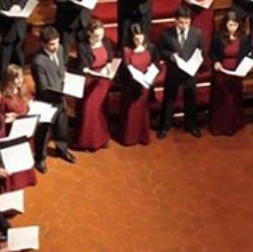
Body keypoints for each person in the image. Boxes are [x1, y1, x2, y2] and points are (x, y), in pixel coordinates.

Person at [31, 26, 75, 173]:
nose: (55, 46)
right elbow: (43, 87)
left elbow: (62, 68)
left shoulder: (60, 49)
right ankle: (40, 158)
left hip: (60, 96)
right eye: (51, 44)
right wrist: (61, 92)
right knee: (44, 132)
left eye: (57, 42)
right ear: (43, 44)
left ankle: (62, 149)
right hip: (46, 101)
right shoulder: (38, 61)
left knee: (62, 127)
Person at [158, 5, 206, 139]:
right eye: (181, 22)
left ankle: (191, 125)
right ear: (175, 21)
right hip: (174, 71)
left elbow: (201, 51)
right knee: (169, 99)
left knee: (191, 98)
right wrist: (170, 56)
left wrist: (197, 61)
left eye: (187, 22)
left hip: (190, 71)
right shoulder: (166, 34)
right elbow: (161, 51)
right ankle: (165, 126)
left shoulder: (197, 33)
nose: (184, 25)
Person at [75, 19, 116, 151]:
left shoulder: (106, 41)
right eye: (96, 36)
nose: (99, 38)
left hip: (104, 80)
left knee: (101, 110)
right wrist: (94, 73)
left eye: (101, 35)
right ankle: (88, 142)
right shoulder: (83, 46)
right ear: (89, 34)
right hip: (90, 81)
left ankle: (102, 138)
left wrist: (109, 68)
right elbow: (83, 67)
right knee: (89, 109)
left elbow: (110, 59)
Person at [209, 10, 251, 136]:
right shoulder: (218, 36)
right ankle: (219, 126)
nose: (232, 28)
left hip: (236, 72)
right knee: (223, 99)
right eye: (230, 25)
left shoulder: (244, 37)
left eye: (235, 25)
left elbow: (247, 54)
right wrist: (216, 62)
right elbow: (211, 53)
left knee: (233, 99)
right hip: (222, 71)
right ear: (225, 25)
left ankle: (232, 125)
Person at [117, 24, 158, 146]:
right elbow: (124, 68)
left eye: (141, 38)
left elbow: (156, 63)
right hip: (131, 85)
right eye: (136, 39)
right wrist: (132, 77)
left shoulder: (151, 47)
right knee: (131, 111)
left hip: (145, 84)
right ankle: (129, 138)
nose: (139, 41)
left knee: (142, 110)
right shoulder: (126, 50)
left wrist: (151, 75)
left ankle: (142, 136)